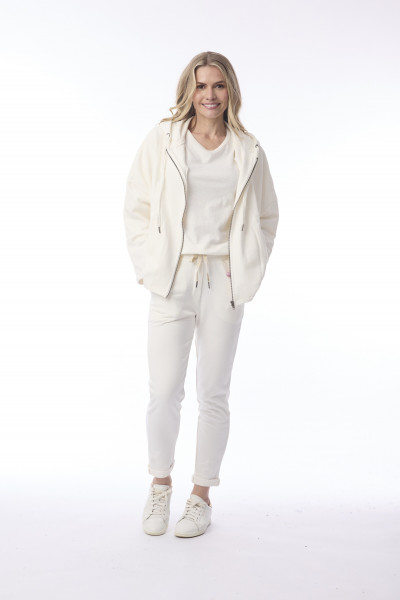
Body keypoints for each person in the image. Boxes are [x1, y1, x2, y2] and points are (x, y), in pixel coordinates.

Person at [123, 51, 279, 538]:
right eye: (201, 85)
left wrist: (246, 269)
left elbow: (267, 216)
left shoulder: (248, 149)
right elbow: (136, 204)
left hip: (223, 283)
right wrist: (149, 267)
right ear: (189, 90)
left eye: (218, 85)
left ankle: (200, 496)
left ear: (231, 91)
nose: (210, 95)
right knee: (164, 392)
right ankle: (160, 485)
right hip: (172, 279)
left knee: (213, 393)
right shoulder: (164, 139)